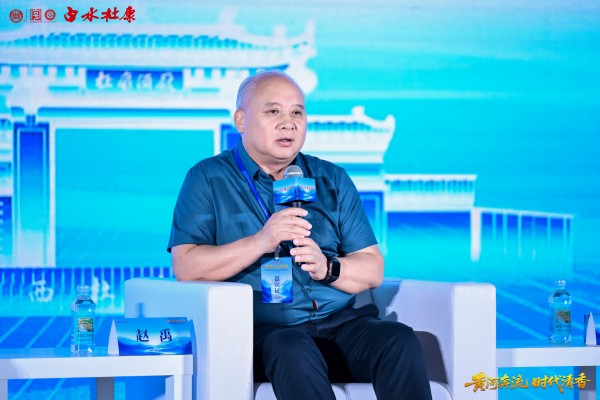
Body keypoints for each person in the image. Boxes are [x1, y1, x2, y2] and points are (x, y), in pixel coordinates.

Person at [168, 70, 432, 400]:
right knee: (291, 346)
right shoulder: (208, 178)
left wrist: (327, 268)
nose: (288, 123)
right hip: (265, 334)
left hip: (338, 326)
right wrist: (260, 242)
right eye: (273, 111)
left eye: (297, 113)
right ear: (241, 120)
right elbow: (186, 266)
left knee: (397, 338)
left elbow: (372, 269)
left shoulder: (331, 178)